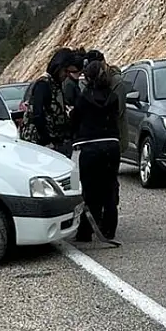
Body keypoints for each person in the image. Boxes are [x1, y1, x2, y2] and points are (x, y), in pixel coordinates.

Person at [70, 59, 122, 242]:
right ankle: (109, 229)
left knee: (90, 190)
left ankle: (86, 231)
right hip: (112, 144)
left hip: (90, 146)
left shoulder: (84, 98)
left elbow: (75, 120)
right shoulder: (113, 97)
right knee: (109, 187)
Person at [20, 47, 79, 155]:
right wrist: (46, 140)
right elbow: (38, 114)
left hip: (55, 140)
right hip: (40, 143)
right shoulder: (43, 84)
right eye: (65, 71)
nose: (66, 75)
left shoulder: (56, 84)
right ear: (58, 67)